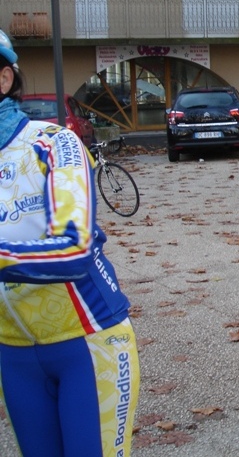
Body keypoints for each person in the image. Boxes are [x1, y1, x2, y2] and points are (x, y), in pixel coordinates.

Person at [0, 29, 140, 456]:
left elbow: (74, 250)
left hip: (87, 340)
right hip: (14, 354)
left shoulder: (51, 143)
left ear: (4, 79)